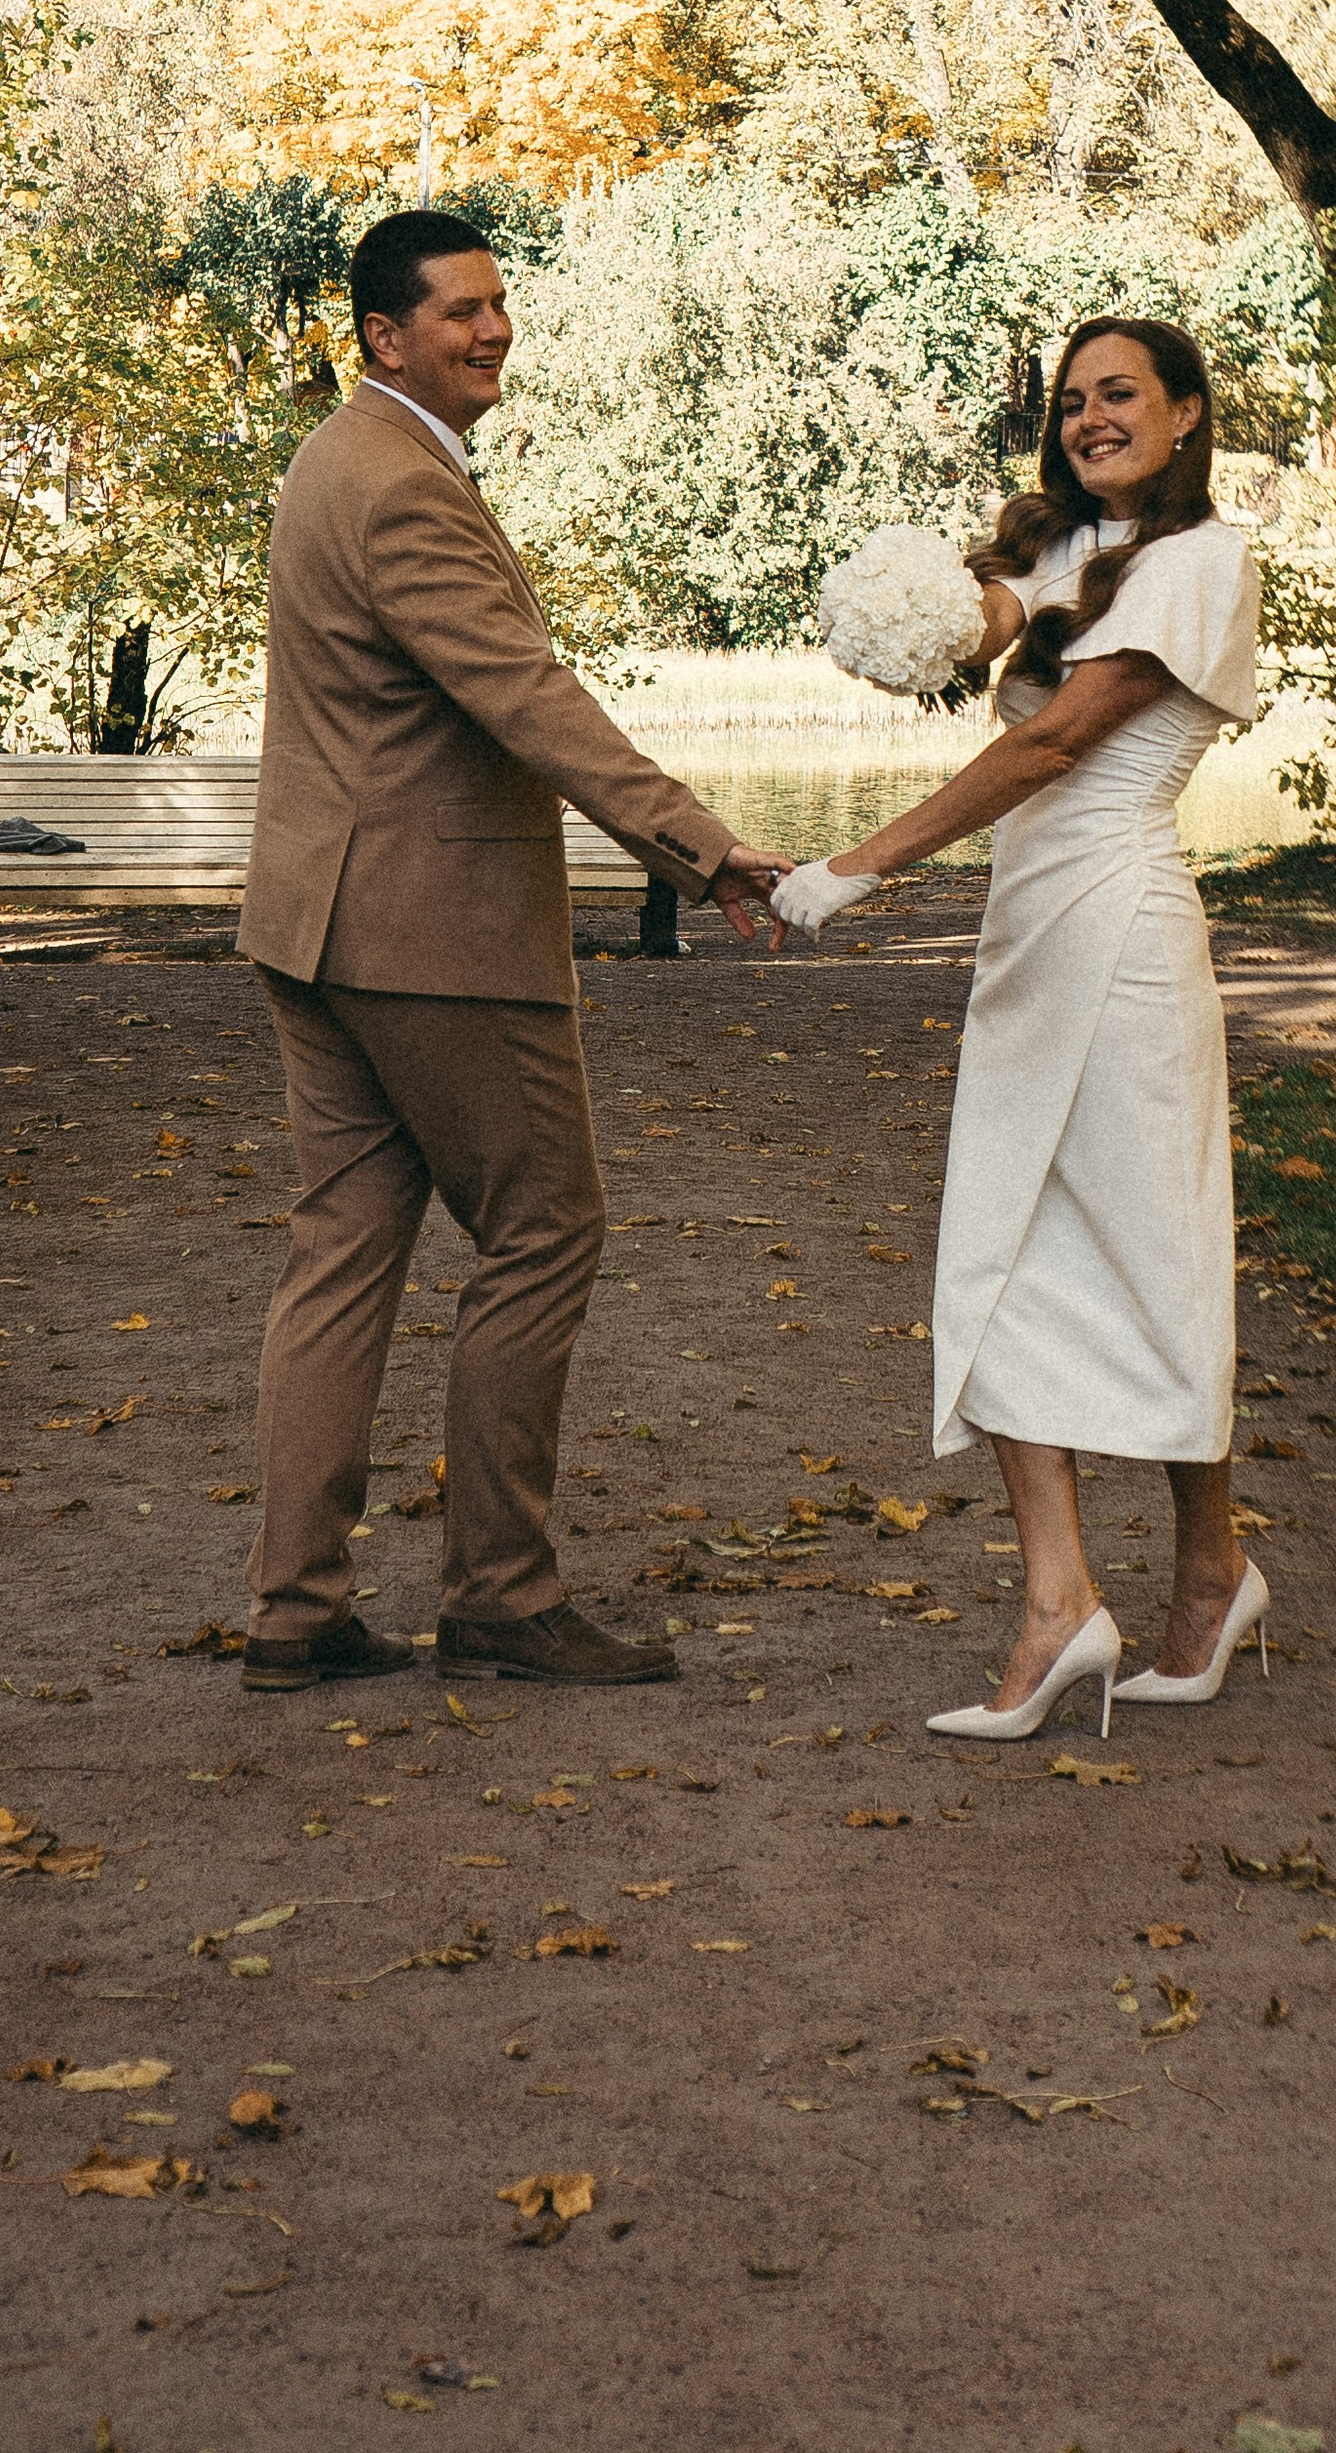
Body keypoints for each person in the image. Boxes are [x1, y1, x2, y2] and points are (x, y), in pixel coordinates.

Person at [235, 207, 788, 1698]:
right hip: (431, 935)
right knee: (545, 1231)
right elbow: (520, 696)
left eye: (499, 305)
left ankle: (297, 1612)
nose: (492, 331)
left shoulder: (340, 461)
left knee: (343, 1256)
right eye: (461, 311)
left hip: (320, 921)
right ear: (383, 337)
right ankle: (501, 1594)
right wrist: (696, 841)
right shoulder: (399, 481)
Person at [773, 316, 1262, 1742]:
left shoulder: (1202, 565)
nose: (1092, 418)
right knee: (1000, 1240)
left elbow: (1052, 742)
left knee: (1157, 1256)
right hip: (1028, 934)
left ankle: (1212, 1573)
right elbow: (979, 628)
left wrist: (854, 867)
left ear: (1184, 413)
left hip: (1122, 934)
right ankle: (1059, 1600)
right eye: (1071, 401)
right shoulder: (1061, 555)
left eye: (1120, 396)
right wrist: (903, 606)